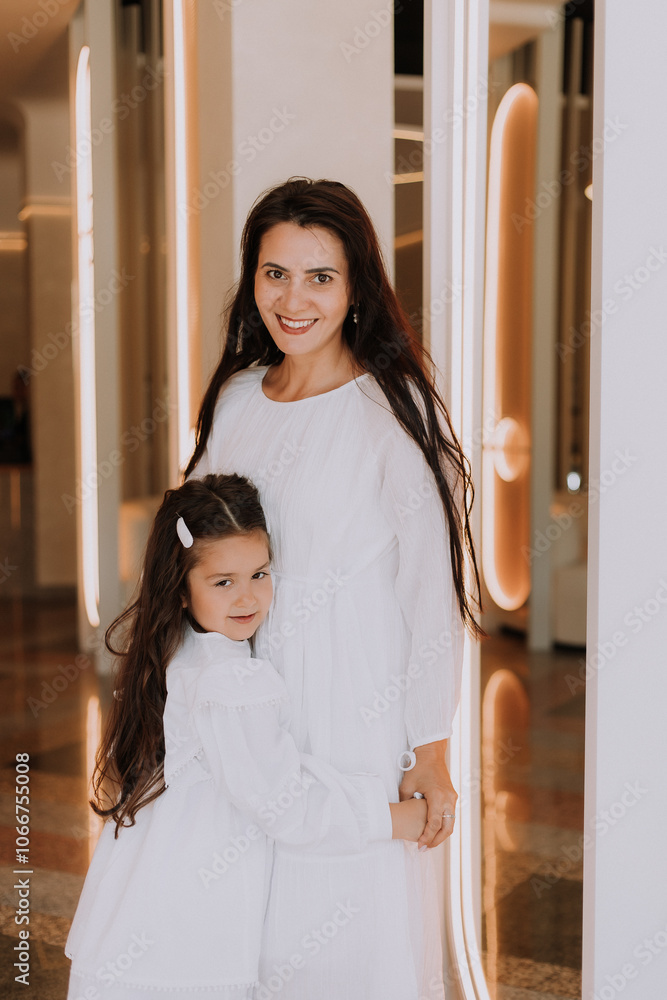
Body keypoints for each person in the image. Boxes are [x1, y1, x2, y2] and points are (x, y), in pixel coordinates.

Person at [184, 177, 486, 999]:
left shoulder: (390, 409)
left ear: (355, 290)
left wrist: (430, 747)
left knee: (347, 933)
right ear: (251, 280)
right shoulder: (236, 398)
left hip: (352, 706)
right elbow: (194, 550)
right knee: (246, 921)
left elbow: (431, 588)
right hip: (247, 703)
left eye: (320, 276)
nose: (294, 298)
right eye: (275, 272)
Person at [64, 473, 428, 1000]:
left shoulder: (183, 650)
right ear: (181, 590)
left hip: (146, 899)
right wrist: (392, 818)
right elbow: (285, 802)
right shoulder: (231, 681)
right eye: (223, 581)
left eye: (259, 573)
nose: (248, 597)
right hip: (186, 926)